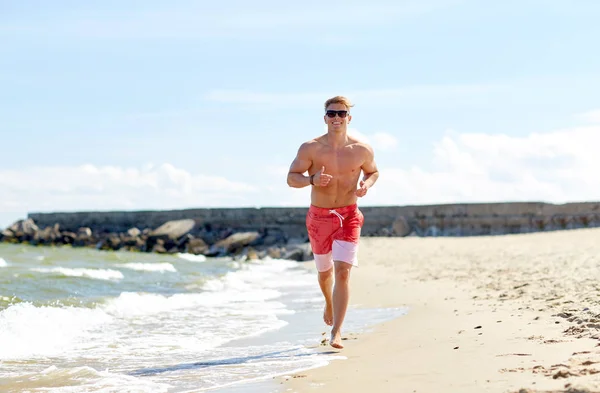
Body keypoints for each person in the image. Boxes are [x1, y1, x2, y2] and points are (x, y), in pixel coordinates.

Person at [286, 95, 379, 349]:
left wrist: (366, 185)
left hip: (349, 216)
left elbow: (373, 172)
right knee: (325, 273)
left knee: (343, 271)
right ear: (325, 118)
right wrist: (311, 180)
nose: (336, 117)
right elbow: (291, 178)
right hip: (319, 218)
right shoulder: (311, 148)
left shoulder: (361, 149)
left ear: (349, 118)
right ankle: (328, 301)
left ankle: (336, 332)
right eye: (331, 113)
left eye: (341, 113)